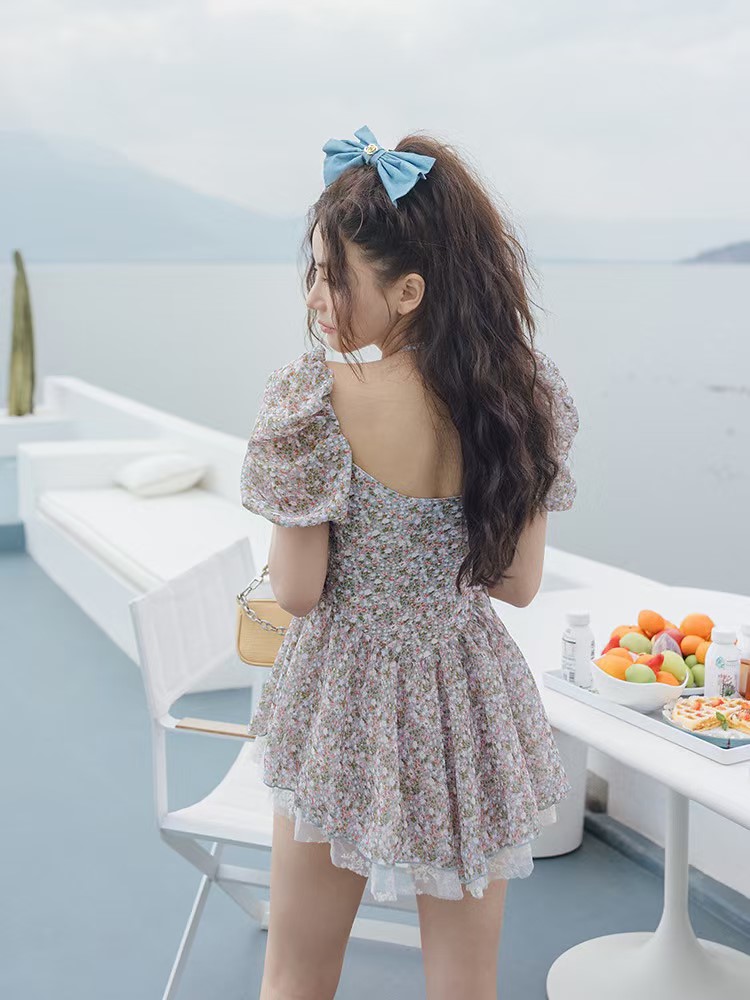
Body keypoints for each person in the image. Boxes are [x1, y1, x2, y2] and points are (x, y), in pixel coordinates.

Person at [240, 125, 580, 1000]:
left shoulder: (312, 400)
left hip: (342, 698)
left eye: (333, 275)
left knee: (297, 974)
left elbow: (298, 592)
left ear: (408, 291)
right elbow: (518, 584)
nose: (317, 297)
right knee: (465, 984)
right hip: (467, 700)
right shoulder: (518, 400)